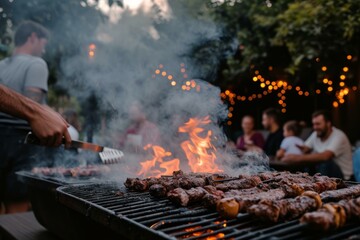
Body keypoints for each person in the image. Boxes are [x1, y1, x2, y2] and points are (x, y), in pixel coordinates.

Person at [0, 20, 63, 213]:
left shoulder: (1, 64)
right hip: (23, 143)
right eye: (43, 43)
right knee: (17, 207)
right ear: (33, 38)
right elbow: (33, 103)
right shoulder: (37, 64)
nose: (44, 50)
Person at [282, 110, 353, 180]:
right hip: (326, 174)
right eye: (314, 124)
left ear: (328, 123)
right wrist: (293, 147)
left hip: (344, 177)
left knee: (324, 163)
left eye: (318, 124)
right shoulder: (316, 134)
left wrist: (296, 158)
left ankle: (322, 187)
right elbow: (305, 148)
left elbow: (325, 156)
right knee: (309, 162)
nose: (315, 127)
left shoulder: (338, 136)